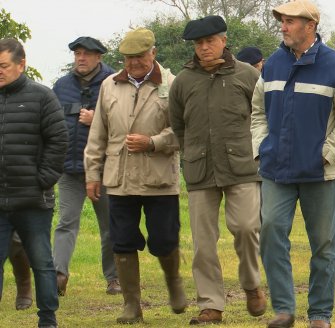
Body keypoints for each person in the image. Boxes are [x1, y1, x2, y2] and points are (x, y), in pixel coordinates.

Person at [250, 1, 335, 326]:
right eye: (282, 21)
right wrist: (262, 146)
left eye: (289, 22)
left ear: (309, 25)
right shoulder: (271, 65)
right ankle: (284, 309)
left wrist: (327, 153)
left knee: (325, 245)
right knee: (271, 231)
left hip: (320, 172)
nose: (283, 27)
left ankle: (320, 314)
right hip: (276, 170)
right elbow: (257, 112)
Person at [169, 15, 267, 325]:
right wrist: (190, 153)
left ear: (224, 42)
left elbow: (262, 118)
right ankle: (211, 304)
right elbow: (178, 125)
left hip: (243, 166)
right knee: (203, 242)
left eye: (210, 41)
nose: (204, 47)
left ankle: (251, 284)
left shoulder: (248, 75)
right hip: (200, 170)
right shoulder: (183, 81)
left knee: (246, 228)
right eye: (199, 43)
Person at [84, 28, 186, 324]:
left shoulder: (173, 84)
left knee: (164, 240)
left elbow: (182, 130)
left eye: (139, 57)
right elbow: (97, 134)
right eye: (128, 58)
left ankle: (174, 282)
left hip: (159, 179)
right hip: (119, 179)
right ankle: (132, 305)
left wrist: (153, 142)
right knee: (122, 240)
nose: (133, 64)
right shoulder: (108, 85)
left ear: (153, 52)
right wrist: (92, 173)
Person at [0, 38, 68, 328]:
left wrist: (43, 179)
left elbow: (59, 140)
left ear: (21, 64)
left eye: (3, 66)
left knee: (41, 263)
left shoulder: (43, 96)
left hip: (33, 200)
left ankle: (47, 319)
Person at [52, 36, 120, 296]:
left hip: (103, 169)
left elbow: (126, 123)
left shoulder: (114, 82)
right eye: (77, 53)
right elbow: (52, 123)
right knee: (66, 222)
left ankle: (113, 278)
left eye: (87, 54)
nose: (81, 58)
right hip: (69, 169)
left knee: (109, 226)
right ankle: (59, 275)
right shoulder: (61, 86)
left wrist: (97, 120)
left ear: (99, 57)